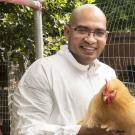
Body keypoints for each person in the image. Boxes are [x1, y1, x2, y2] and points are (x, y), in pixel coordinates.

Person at [12, 4, 124, 135]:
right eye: (82, 30)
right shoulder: (42, 71)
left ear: (105, 37)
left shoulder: (108, 73)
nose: (90, 39)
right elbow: (25, 130)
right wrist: (81, 132)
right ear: (67, 32)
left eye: (99, 32)